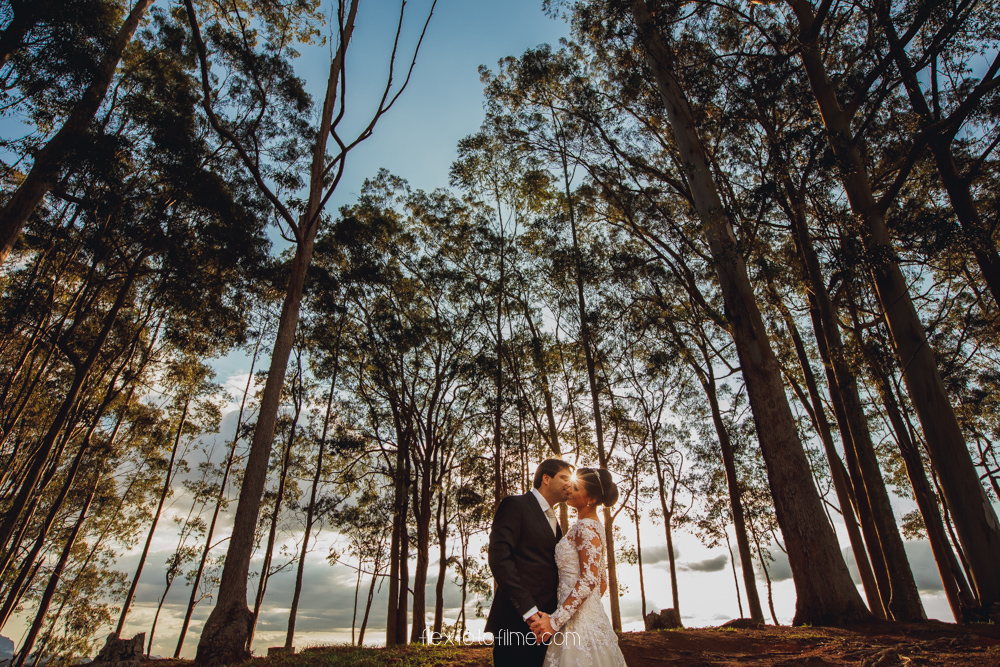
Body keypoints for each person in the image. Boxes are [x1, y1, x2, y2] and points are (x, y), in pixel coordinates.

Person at [529, 467, 627, 667]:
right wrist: (587, 611)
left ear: (590, 499)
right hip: (580, 616)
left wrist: (556, 621)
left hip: (576, 623)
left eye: (575, 488)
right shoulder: (592, 526)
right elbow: (601, 583)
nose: (569, 490)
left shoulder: (586, 528)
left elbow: (590, 580)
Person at [486, 459, 574, 667]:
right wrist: (528, 611)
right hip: (516, 620)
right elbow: (500, 559)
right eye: (564, 478)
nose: (569, 485)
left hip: (546, 624)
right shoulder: (514, 505)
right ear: (546, 478)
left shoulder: (556, 522)